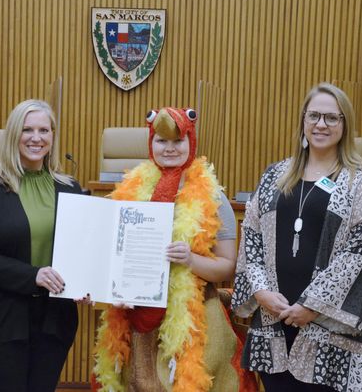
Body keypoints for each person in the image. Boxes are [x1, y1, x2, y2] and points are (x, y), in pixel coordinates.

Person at [91, 107, 257, 392]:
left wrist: (191, 259)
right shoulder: (128, 192)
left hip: (194, 318)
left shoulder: (213, 197)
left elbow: (228, 266)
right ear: (150, 144)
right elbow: (110, 257)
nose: (169, 149)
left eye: (178, 141)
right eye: (161, 141)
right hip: (136, 318)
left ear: (191, 142)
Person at [231, 82, 362, 391]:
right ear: (303, 121)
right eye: (313, 116)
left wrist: (313, 306)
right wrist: (260, 292)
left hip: (335, 331)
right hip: (274, 322)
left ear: (345, 124)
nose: (321, 124)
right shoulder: (275, 174)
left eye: (331, 118)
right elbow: (252, 235)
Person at [0, 99, 85, 392]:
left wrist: (88, 282)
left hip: (54, 321)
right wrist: (33, 276)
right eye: (27, 129)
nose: (36, 138)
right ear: (14, 135)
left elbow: (82, 248)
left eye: (44, 130)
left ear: (53, 136)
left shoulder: (69, 187)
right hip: (0, 319)